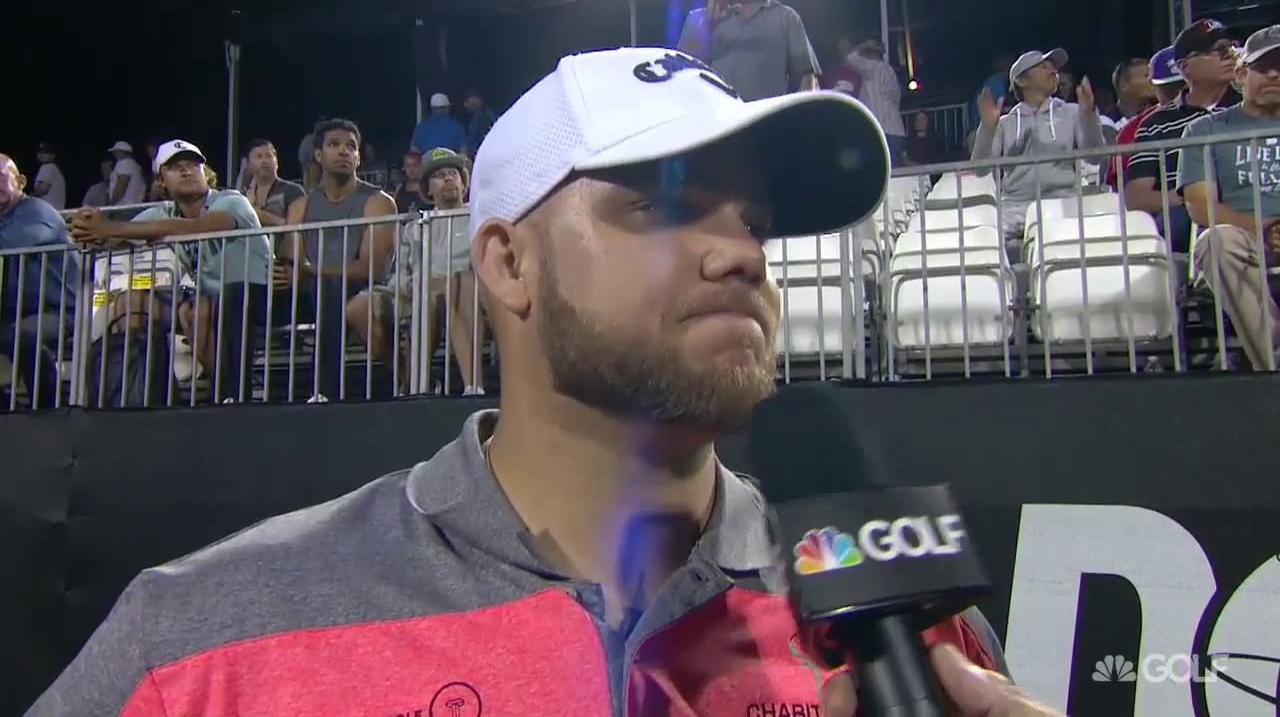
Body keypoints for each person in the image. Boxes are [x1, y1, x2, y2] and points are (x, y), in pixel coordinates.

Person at [28, 45, 1069, 717]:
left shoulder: (916, 644)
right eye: (663, 205)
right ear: (508, 264)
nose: (741, 256)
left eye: (753, 220)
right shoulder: (206, 639)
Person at [69, 140, 273, 403]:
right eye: (176, 167)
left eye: (193, 165)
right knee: (130, 303)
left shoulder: (232, 200)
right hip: (207, 298)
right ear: (161, 181)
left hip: (255, 294)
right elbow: (117, 237)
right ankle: (137, 397)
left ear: (205, 173)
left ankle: (230, 395)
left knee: (199, 309)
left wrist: (107, 228)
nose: (187, 171)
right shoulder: (165, 212)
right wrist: (86, 229)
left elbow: (198, 227)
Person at [1180, 24, 1280, 372]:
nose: (1274, 75)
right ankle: (1274, 363)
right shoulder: (1204, 129)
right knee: (1215, 241)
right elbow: (1200, 206)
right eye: (1263, 66)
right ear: (1241, 74)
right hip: (1244, 242)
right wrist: (1264, 228)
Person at [348, 148, 483, 396]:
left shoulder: (478, 219)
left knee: (436, 295)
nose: (448, 179)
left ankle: (417, 387)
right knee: (359, 306)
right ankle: (404, 374)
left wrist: (441, 283)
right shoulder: (414, 228)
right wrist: (415, 284)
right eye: (439, 175)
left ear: (464, 183)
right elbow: (399, 274)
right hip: (416, 291)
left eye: (453, 174)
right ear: (427, 189)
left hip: (464, 292)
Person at [280, 118, 397, 401]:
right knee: (238, 294)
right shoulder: (300, 206)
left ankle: (325, 391)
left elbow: (371, 267)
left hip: (358, 289)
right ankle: (230, 394)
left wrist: (311, 271)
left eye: (351, 147)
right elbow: (291, 263)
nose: (344, 151)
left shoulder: (378, 202)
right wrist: (292, 273)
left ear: (358, 158)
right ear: (318, 155)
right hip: (308, 291)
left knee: (330, 286)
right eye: (334, 145)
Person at [1127, 20, 1242, 252]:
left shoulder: (1249, 108)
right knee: (1175, 222)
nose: (1229, 56)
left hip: (1246, 205)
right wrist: (1189, 196)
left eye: (1231, 47)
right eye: (1219, 50)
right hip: (1185, 219)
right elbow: (1136, 197)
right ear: (1185, 66)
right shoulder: (1156, 124)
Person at [971, 48, 1104, 241]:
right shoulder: (1005, 123)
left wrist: (1089, 116)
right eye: (1044, 67)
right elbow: (979, 169)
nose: (1053, 71)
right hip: (1015, 209)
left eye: (1054, 67)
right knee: (983, 239)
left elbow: (1095, 157)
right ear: (1021, 80)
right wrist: (987, 127)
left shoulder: (1073, 112)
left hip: (1065, 203)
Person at [0, 154, 80, 409]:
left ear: (21, 181)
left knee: (24, 334)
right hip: (14, 313)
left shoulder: (38, 212)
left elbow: (10, 243)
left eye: (0, 178)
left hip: (58, 311)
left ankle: (48, 407)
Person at [677, 0, 820, 101]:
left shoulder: (787, 18)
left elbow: (808, 79)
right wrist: (706, 24)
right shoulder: (698, 18)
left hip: (767, 122)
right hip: (716, 122)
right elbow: (679, 73)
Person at [1105, 45, 1185, 189]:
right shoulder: (1130, 130)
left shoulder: (1215, 114)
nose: (1179, 93)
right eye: (1145, 75)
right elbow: (1122, 188)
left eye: (1182, 85)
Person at [843, 36, 907, 164]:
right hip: (896, 131)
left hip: (882, 132)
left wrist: (865, 45)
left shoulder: (873, 68)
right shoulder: (890, 72)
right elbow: (896, 99)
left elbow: (850, 58)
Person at [243, 139, 305, 228]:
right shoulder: (243, 196)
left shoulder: (293, 190)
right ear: (248, 164)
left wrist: (259, 214)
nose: (264, 161)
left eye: (269, 156)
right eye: (258, 157)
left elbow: (295, 228)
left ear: (277, 162)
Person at [1102, 57, 1157, 140]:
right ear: (1123, 86)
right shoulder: (1107, 122)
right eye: (1146, 76)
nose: (1152, 80)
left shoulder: (1160, 114)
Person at [107, 141, 146, 207]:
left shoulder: (124, 163)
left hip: (123, 206)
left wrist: (112, 205)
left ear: (122, 152)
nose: (114, 155)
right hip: (136, 205)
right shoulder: (136, 166)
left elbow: (122, 183)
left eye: (116, 152)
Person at [462, 88, 497, 159]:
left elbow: (473, 137)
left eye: (467, 101)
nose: (465, 105)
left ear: (476, 99)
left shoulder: (485, 115)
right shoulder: (476, 116)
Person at [30, 143, 66, 210]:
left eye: (46, 153)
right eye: (39, 152)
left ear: (53, 155)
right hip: (55, 211)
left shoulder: (48, 167)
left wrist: (27, 199)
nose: (41, 155)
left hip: (49, 211)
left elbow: (41, 190)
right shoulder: (55, 168)